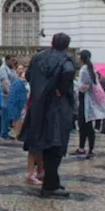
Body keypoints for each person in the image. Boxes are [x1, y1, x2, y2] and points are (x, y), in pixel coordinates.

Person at [21, 33, 77, 197]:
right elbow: (67, 73)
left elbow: (29, 76)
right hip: (57, 107)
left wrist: (40, 89)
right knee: (55, 145)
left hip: (38, 105)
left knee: (44, 143)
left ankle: (52, 180)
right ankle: (50, 185)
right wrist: (60, 89)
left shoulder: (38, 57)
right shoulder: (66, 60)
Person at [74, 50, 105, 159]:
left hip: (86, 100)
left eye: (78, 57)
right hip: (87, 100)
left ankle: (87, 149)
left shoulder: (84, 69)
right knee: (86, 125)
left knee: (85, 125)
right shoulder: (90, 68)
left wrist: (79, 86)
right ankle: (85, 148)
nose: (77, 58)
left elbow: (84, 86)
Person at [0, 55, 15, 138]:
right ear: (7, 60)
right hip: (5, 95)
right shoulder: (3, 69)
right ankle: (4, 132)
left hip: (8, 94)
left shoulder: (9, 69)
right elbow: (4, 82)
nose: (13, 62)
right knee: (5, 114)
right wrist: (9, 92)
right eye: (12, 60)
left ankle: (5, 131)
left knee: (6, 114)